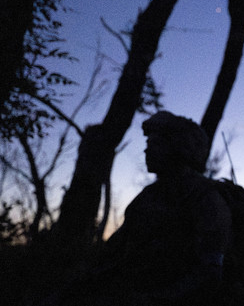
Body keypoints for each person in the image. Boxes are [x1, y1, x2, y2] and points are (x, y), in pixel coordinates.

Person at [56, 111, 232, 305]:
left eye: (155, 144)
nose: (146, 151)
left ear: (178, 148)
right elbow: (114, 254)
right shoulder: (149, 197)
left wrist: (154, 299)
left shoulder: (205, 198)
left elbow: (210, 273)